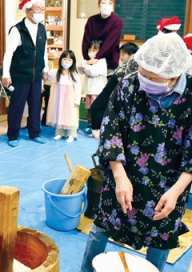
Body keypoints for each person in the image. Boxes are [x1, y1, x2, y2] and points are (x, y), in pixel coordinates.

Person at [80, 32, 192, 272]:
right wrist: (119, 176)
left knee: (161, 236)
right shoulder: (129, 84)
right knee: (102, 227)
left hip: (169, 185)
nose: (145, 80)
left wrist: (176, 192)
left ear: (174, 76)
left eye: (153, 78)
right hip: (124, 175)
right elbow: (112, 131)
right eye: (143, 73)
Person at [2, 0, 49, 147]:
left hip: (36, 76)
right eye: (37, 9)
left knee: (36, 105)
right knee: (17, 106)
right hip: (20, 75)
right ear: (28, 11)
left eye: (42, 9)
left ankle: (35, 132)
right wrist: (5, 74)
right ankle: (12, 135)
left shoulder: (42, 29)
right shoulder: (17, 30)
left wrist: (45, 69)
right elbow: (8, 53)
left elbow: (44, 52)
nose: (40, 12)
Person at [90, 42, 139, 131]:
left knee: (97, 109)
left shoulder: (130, 68)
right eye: (120, 54)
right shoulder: (125, 67)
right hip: (115, 95)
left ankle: (103, 130)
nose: (121, 57)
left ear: (132, 55)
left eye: (123, 54)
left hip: (118, 95)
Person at [46, 50, 81, 143]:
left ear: (73, 62)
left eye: (69, 60)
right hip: (58, 98)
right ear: (61, 60)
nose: (66, 62)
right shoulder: (55, 73)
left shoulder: (74, 75)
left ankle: (71, 133)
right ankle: (59, 132)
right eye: (65, 59)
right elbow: (45, 77)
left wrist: (77, 100)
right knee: (59, 113)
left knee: (70, 115)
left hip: (70, 99)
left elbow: (77, 88)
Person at [82, 0, 123, 73]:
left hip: (109, 63)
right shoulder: (91, 20)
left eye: (110, 3)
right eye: (103, 3)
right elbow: (86, 41)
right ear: (99, 5)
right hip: (92, 61)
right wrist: (88, 60)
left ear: (113, 5)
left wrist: (96, 58)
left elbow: (110, 43)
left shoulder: (117, 22)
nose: (106, 6)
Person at [78, 40, 107, 138]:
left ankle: (98, 129)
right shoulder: (89, 62)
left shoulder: (102, 61)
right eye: (89, 50)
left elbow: (92, 72)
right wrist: (87, 63)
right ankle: (91, 126)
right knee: (89, 110)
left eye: (94, 49)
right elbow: (79, 68)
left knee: (97, 111)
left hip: (97, 90)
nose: (91, 52)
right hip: (89, 90)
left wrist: (86, 65)